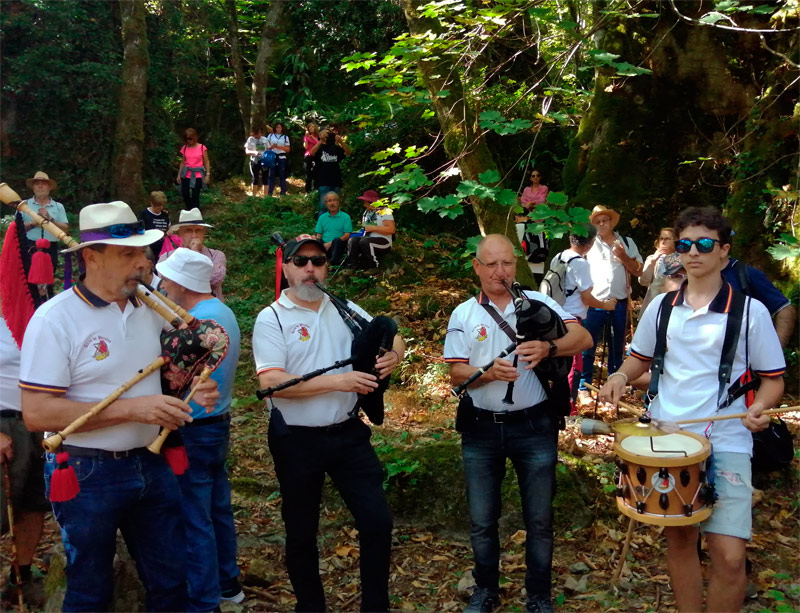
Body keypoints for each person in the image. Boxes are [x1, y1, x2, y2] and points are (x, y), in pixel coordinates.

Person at [19, 200, 219, 612]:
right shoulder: (55, 319)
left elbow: (168, 375)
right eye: (127, 254)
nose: (142, 263)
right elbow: (37, 413)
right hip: (87, 471)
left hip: (153, 464)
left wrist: (193, 390)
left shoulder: (152, 309)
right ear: (91, 257)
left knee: (170, 581)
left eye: (143, 253)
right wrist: (134, 410)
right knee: (91, 589)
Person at [598, 206, 785, 613]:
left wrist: (762, 409)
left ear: (724, 252)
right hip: (668, 439)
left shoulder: (750, 312)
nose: (693, 252)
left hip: (729, 439)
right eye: (685, 244)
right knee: (681, 542)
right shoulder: (662, 307)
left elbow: (772, 379)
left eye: (704, 244)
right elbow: (639, 359)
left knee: (730, 555)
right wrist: (619, 377)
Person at [252, 234, 405, 612]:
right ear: (286, 267)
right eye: (301, 261)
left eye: (317, 261)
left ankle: (375, 606)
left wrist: (393, 357)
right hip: (296, 440)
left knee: (377, 522)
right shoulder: (271, 318)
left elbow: (392, 333)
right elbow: (271, 383)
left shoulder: (344, 307)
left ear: (326, 266)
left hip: (348, 435)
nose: (309, 269)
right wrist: (339, 381)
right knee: (302, 531)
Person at [444, 234, 592, 613]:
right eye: (491, 264)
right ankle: (486, 590)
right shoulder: (463, 313)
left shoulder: (539, 302)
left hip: (535, 427)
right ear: (476, 268)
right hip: (480, 428)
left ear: (516, 265)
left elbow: (583, 336)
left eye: (507, 263)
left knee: (540, 519)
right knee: (481, 519)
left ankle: (538, 596)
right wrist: (487, 373)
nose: (500, 271)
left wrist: (549, 347)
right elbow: (456, 374)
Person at [156, 248, 243, 612]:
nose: (161, 285)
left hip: (192, 428)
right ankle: (227, 582)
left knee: (193, 516)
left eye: (167, 279)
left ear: (180, 283)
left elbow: (165, 376)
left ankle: (205, 599)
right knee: (215, 507)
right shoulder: (221, 313)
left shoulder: (195, 324)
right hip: (215, 425)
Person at [0, 309, 49, 603]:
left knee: (34, 504)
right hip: (4, 422)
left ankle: (20, 577)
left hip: (40, 419)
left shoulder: (40, 312)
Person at [547, 225, 616, 412]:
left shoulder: (559, 256)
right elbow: (586, 298)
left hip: (555, 316)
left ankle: (556, 402)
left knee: (559, 361)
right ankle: (568, 407)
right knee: (574, 365)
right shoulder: (581, 263)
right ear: (591, 243)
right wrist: (606, 305)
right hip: (571, 320)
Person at [578, 205, 642, 394]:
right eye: (597, 222)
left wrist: (623, 256)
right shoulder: (588, 243)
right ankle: (584, 387)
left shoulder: (626, 243)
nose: (601, 224)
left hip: (619, 303)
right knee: (587, 345)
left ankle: (614, 386)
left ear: (611, 222)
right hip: (594, 302)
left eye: (604, 220)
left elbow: (638, 270)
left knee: (617, 347)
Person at [721, 253, 796, 348]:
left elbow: (785, 309)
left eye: (705, 243)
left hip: (742, 358)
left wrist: (775, 352)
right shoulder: (698, 276)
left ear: (724, 248)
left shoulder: (745, 274)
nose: (696, 252)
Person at [159, 208, 227, 301]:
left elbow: (216, 279)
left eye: (198, 230)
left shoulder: (216, 255)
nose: (194, 236)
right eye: (188, 231)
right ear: (179, 234)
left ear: (204, 233)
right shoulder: (166, 257)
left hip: (209, 311)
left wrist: (195, 253)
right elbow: (174, 284)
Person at [20, 171, 69, 297]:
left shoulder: (58, 207)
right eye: (37, 184)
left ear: (49, 187)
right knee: (28, 281)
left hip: (50, 248)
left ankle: (47, 306)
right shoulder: (24, 205)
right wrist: (33, 223)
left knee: (49, 280)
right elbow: (17, 228)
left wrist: (50, 219)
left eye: (43, 184)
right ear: (33, 187)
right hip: (30, 247)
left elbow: (65, 229)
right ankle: (31, 308)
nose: (40, 186)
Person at [345, 190, 395, 271]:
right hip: (367, 238)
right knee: (353, 240)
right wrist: (356, 233)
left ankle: (373, 266)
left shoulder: (384, 211)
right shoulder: (366, 213)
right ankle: (352, 266)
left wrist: (374, 228)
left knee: (365, 242)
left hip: (384, 242)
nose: (364, 205)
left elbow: (391, 230)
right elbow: (365, 229)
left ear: (372, 202)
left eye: (365, 202)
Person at [515, 170, 550, 281]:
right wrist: (528, 204)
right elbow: (523, 201)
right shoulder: (526, 189)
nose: (535, 177)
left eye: (537, 175)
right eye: (533, 175)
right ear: (530, 178)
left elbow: (542, 200)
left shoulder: (543, 188)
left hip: (539, 217)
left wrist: (531, 203)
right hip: (528, 215)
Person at [310, 127, 351, 215]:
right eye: (324, 133)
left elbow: (348, 152)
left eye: (328, 133)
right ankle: (322, 226)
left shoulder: (335, 148)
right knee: (323, 206)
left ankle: (334, 225)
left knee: (335, 206)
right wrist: (321, 140)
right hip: (323, 181)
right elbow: (311, 153)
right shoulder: (319, 148)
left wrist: (340, 141)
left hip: (336, 180)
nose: (326, 135)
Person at [638, 227, 677, 315]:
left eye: (667, 239)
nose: (663, 242)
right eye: (661, 238)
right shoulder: (652, 258)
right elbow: (643, 281)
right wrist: (652, 262)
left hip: (673, 304)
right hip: (653, 305)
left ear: (675, 241)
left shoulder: (681, 259)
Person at [314, 191, 352, 265]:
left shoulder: (345, 217)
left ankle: (333, 264)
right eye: (329, 201)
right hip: (324, 245)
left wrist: (331, 243)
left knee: (337, 241)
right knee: (316, 241)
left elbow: (347, 235)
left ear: (338, 202)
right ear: (326, 204)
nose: (332, 203)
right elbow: (319, 235)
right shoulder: (322, 217)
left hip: (338, 245)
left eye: (334, 200)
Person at [177, 128, 211, 210]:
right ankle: (189, 208)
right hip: (186, 173)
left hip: (198, 174)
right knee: (184, 192)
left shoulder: (202, 147)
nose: (188, 141)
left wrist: (208, 174)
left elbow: (206, 161)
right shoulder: (185, 148)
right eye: (186, 139)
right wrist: (179, 175)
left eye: (190, 139)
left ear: (195, 137)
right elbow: (183, 162)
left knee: (195, 194)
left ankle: (196, 211)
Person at [139, 191, 171, 257]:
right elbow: (140, 231)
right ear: (152, 203)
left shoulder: (164, 215)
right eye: (158, 205)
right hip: (150, 246)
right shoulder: (144, 214)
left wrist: (169, 231)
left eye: (162, 205)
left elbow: (169, 227)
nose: (161, 207)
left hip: (163, 247)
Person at [266, 122, 290, 197]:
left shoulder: (285, 137)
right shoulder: (270, 136)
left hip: (281, 157)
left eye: (280, 127)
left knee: (282, 175)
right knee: (271, 174)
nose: (278, 129)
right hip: (272, 156)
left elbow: (288, 149)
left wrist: (279, 147)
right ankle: (270, 192)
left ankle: (283, 192)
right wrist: (271, 147)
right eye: (277, 127)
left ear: (282, 128)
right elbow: (266, 147)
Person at [244, 126, 269, 197]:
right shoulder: (250, 140)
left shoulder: (265, 139)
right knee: (255, 177)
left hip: (264, 160)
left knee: (265, 177)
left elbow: (268, 149)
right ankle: (254, 195)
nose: (259, 135)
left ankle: (266, 196)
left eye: (260, 133)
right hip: (254, 160)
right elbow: (247, 151)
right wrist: (254, 152)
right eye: (257, 133)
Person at [303, 122, 320, 193]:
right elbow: (305, 147)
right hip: (308, 156)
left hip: (317, 156)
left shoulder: (318, 136)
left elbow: (320, 143)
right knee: (308, 173)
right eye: (310, 127)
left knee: (316, 172)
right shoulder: (306, 137)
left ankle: (316, 188)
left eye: (313, 126)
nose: (311, 128)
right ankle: (308, 190)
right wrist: (306, 139)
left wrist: (313, 138)